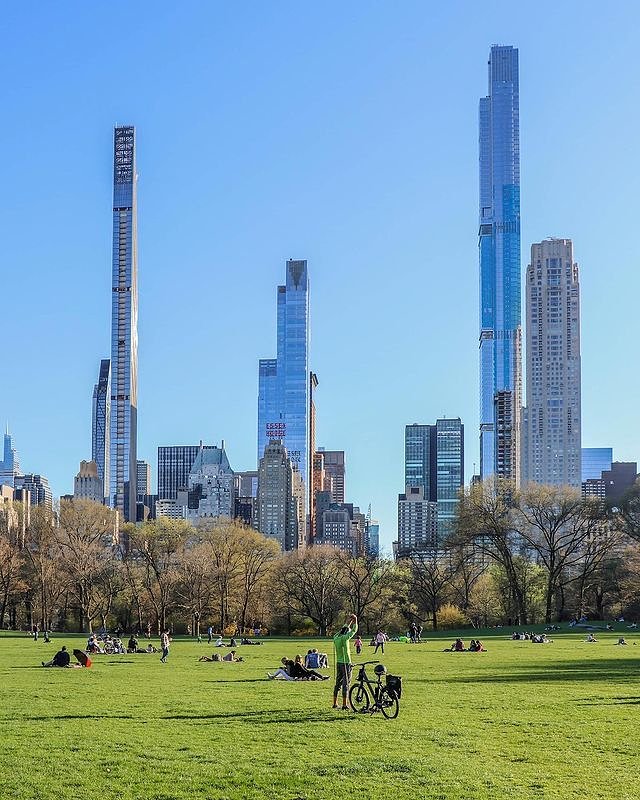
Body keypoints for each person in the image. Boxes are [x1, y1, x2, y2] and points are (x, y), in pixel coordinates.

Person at [333, 613, 358, 710]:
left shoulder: (336, 637)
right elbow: (354, 631)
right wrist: (355, 620)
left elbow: (343, 629)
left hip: (338, 663)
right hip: (346, 663)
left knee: (337, 683)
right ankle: (344, 704)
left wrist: (349, 621)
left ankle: (335, 703)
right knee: (346, 684)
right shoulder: (345, 638)